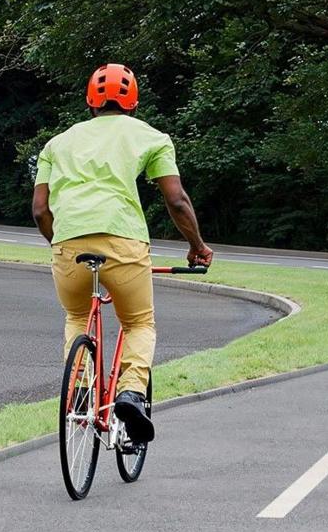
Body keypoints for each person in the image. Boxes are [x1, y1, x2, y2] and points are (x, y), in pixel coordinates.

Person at [32, 64, 214, 443]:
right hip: (124, 244)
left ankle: (79, 389)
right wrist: (197, 247)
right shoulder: (152, 136)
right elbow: (177, 201)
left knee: (77, 315)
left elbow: (39, 210)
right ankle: (130, 392)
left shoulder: (56, 143)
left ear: (90, 102)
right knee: (138, 324)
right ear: (133, 102)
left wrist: (61, 244)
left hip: (69, 244)